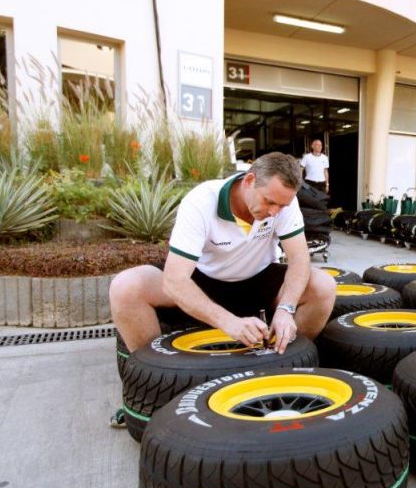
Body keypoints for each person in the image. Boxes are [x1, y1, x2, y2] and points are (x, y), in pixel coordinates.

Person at [109, 152, 336, 358]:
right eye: (269, 202)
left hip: (259, 280)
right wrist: (229, 322)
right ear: (249, 181)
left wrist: (287, 309)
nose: (274, 212)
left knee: (324, 286)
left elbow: (299, 259)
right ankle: (157, 371)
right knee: (126, 287)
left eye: (282, 206)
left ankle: (289, 358)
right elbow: (174, 280)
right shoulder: (200, 202)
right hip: (205, 281)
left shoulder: (284, 203)